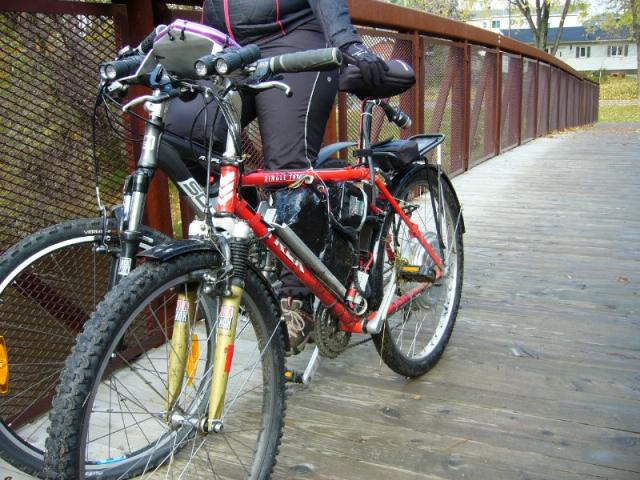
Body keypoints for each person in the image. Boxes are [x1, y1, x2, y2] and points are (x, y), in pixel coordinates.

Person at [164, 0, 388, 353]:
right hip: (229, 49)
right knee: (176, 134)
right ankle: (257, 227)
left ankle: (297, 297)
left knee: (287, 172)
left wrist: (347, 43)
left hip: (294, 38)